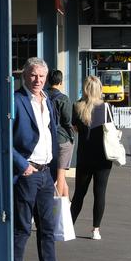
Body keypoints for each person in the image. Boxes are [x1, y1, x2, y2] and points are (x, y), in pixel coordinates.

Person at [12, 58, 78, 261]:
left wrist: (55, 172)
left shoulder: (48, 100)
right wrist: (22, 165)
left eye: (41, 76)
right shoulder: (16, 100)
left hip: (45, 174)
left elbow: (52, 135)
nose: (38, 80)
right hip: (27, 173)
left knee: (47, 229)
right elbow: (3, 137)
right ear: (25, 76)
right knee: (21, 229)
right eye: (33, 75)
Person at [70, 75, 114, 241]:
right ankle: (96, 230)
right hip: (103, 157)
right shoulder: (106, 107)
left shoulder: (77, 106)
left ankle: (70, 226)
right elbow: (110, 129)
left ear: (85, 89)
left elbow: (75, 129)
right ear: (99, 89)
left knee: (79, 193)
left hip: (84, 157)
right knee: (100, 193)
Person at [46, 69, 75, 197]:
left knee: (52, 175)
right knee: (61, 176)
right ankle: (57, 210)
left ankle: (65, 206)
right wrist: (71, 137)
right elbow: (68, 121)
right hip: (62, 139)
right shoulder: (63, 99)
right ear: (61, 82)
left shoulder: (42, 96)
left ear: (47, 80)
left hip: (46, 140)